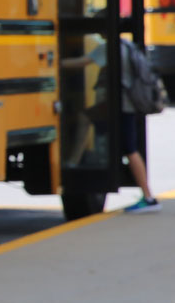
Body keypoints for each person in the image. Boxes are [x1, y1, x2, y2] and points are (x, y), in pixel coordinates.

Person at [62, 35, 160, 214]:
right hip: (128, 102)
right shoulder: (127, 45)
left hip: (118, 104)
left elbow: (82, 62)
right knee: (129, 148)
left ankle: (148, 197)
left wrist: (55, 62)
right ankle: (148, 196)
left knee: (129, 148)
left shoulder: (108, 48)